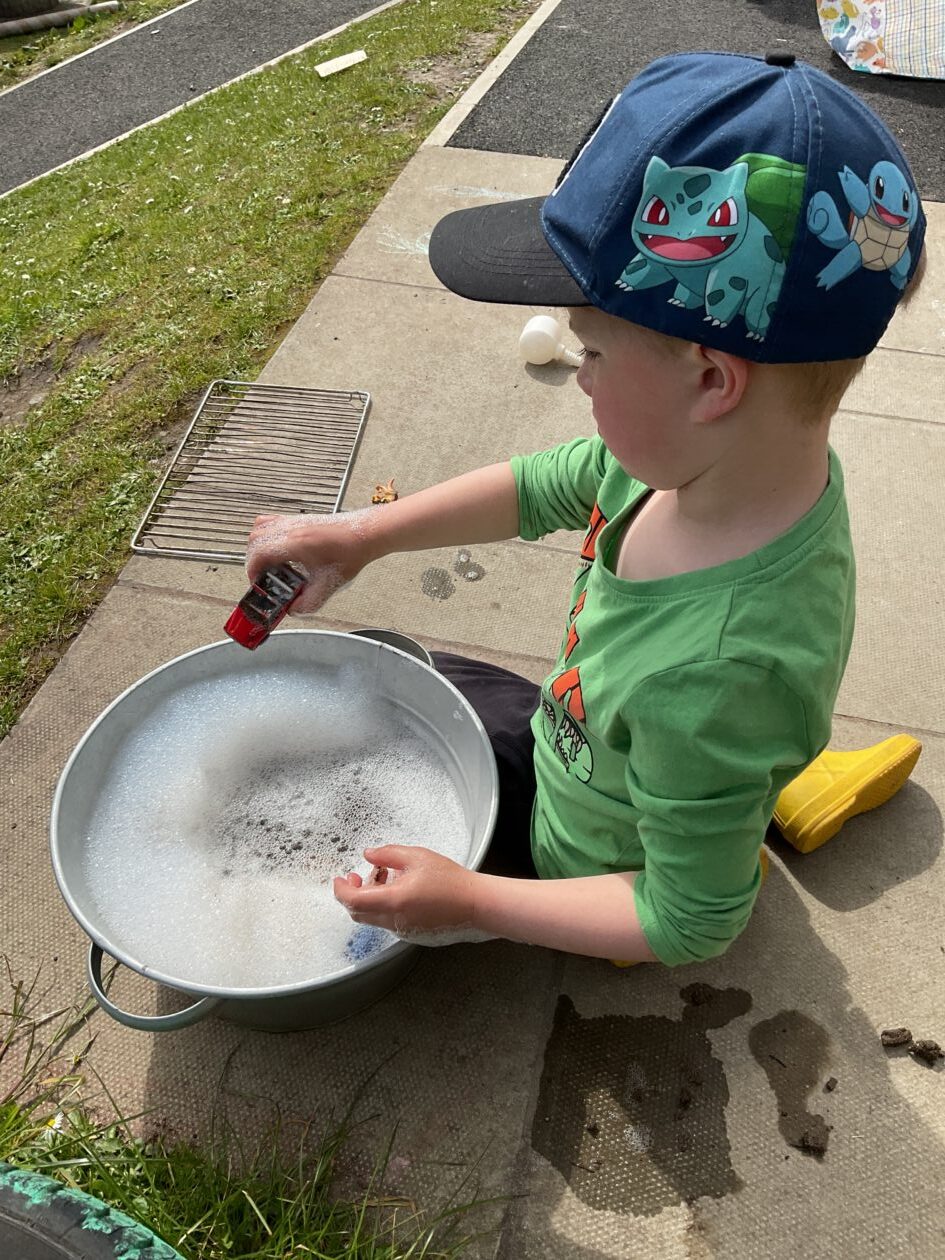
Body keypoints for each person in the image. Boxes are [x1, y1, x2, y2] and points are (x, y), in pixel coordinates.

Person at [246, 51, 926, 966]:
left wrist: (472, 902)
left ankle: (737, 803)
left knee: (345, 900)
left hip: (585, 869)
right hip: (589, 739)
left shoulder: (718, 676)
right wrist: (363, 537)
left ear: (711, 380)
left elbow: (690, 921)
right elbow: (543, 485)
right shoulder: (716, 464)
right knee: (383, 669)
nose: (579, 378)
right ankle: (752, 791)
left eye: (594, 353)